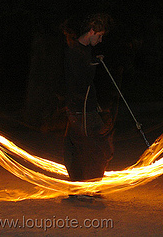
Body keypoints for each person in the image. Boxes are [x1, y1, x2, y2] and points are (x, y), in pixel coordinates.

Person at [62, 13, 115, 198]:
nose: (100, 40)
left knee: (78, 148)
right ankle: (85, 189)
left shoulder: (83, 51)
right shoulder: (74, 51)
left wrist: (92, 61)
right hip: (80, 109)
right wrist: (92, 64)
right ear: (91, 31)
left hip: (84, 107)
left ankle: (80, 189)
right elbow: (79, 79)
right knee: (98, 147)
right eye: (99, 35)